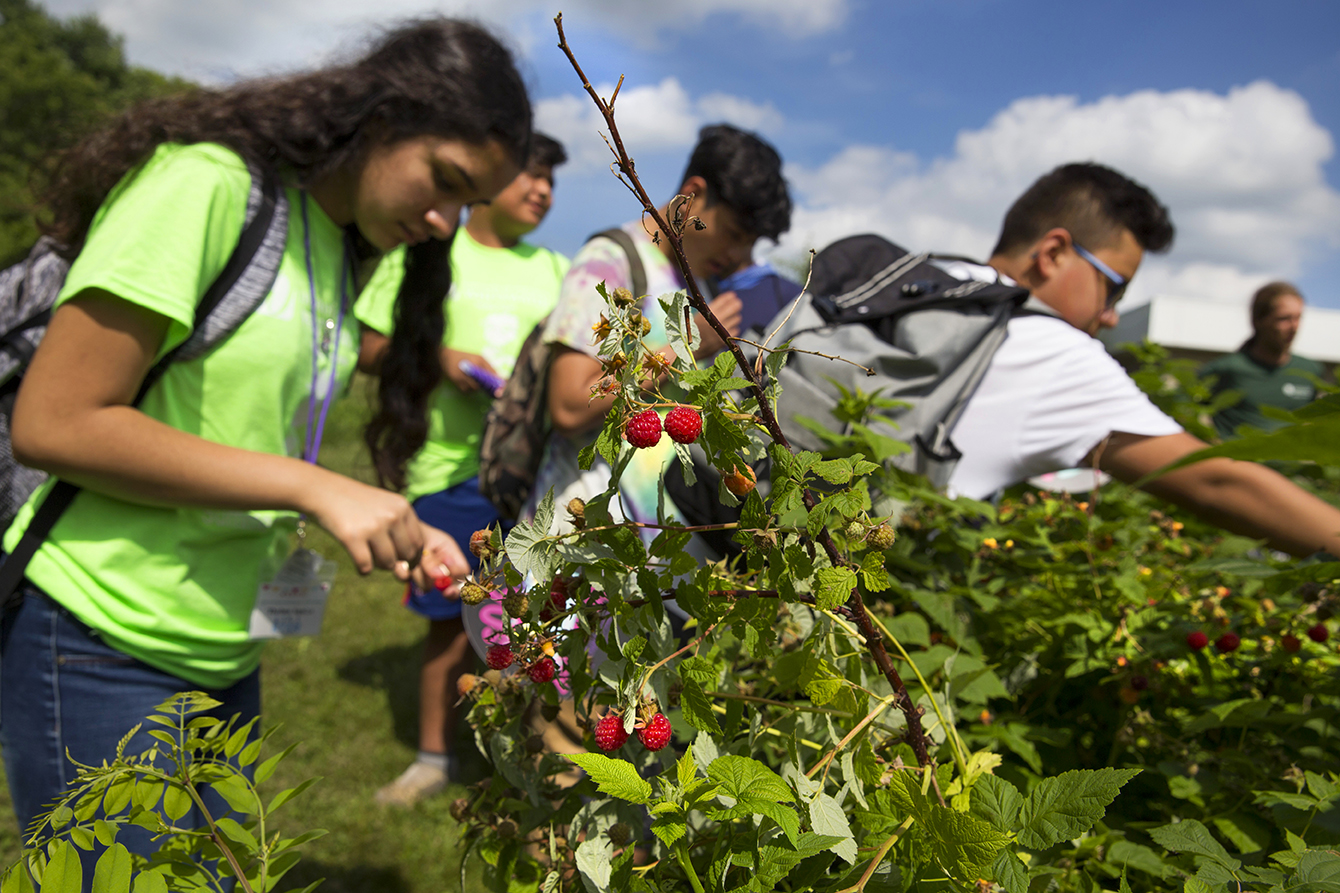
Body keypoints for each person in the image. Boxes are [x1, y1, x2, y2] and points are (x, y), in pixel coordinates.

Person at [0, 18, 529, 864]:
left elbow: (228, 434)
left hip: (224, 653)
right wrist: (311, 485)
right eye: (446, 181)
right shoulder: (206, 185)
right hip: (99, 642)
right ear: (381, 119)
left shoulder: (334, 245)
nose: (446, 219)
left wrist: (387, 516)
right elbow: (55, 422)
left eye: (468, 204)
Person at [940, 163, 1340, 557]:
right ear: (1053, 253)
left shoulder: (920, 280)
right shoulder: (1055, 351)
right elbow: (1217, 484)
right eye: (1114, 288)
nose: (1111, 314)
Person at [356, 133, 570, 806]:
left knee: (537, 620)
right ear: (490, 179)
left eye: (551, 182)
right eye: (530, 177)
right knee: (449, 617)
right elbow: (367, 346)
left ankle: (535, 755)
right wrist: (439, 360)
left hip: (531, 476)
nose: (542, 191)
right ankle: (431, 757)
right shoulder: (429, 253)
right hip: (448, 470)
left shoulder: (561, 269)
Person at [535, 123, 791, 532]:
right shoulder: (609, 261)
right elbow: (568, 404)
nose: (739, 255)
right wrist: (689, 343)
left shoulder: (700, 284)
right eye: (735, 234)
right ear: (693, 195)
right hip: (588, 527)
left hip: (663, 536)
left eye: (751, 243)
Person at [1200, 282, 1325, 438]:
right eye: (1284, 319)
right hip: (1238, 459)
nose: (1294, 327)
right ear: (1258, 320)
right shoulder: (1227, 369)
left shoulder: (1309, 371)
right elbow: (1188, 411)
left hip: (1293, 461)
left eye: (1298, 317)